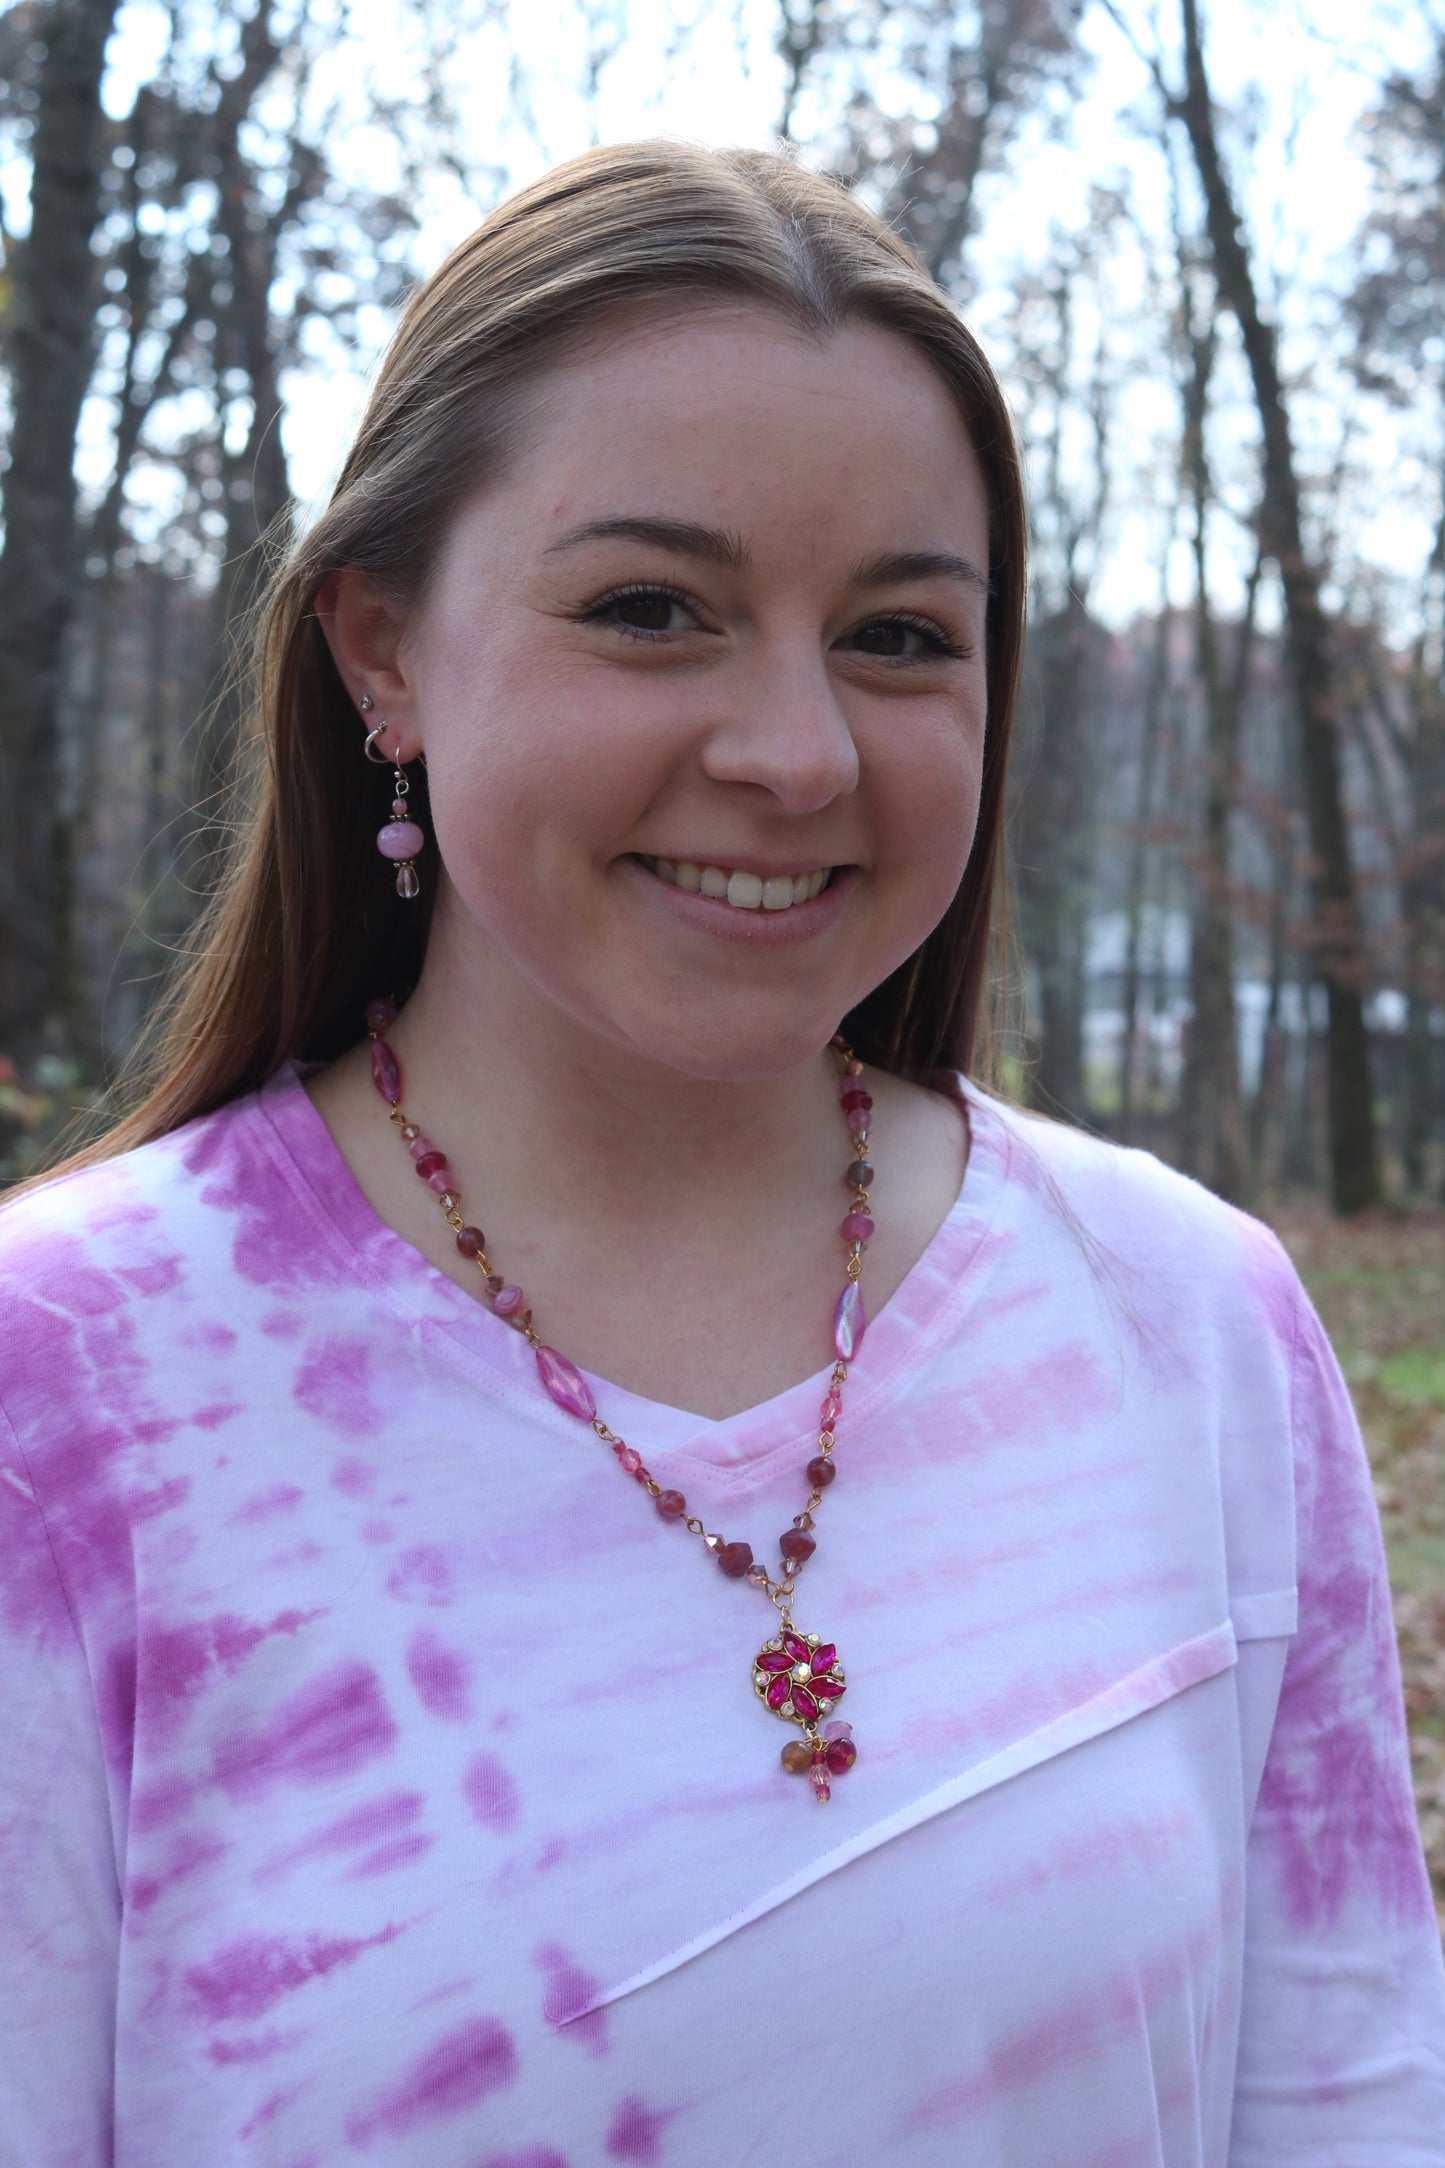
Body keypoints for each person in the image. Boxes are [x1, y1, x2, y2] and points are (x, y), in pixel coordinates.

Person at [0, 139, 1440, 2168]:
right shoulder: (63, 1388)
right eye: (655, 608)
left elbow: (1354, 2103)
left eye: (901, 636)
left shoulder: (1190, 1325)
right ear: (379, 651)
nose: (798, 753)